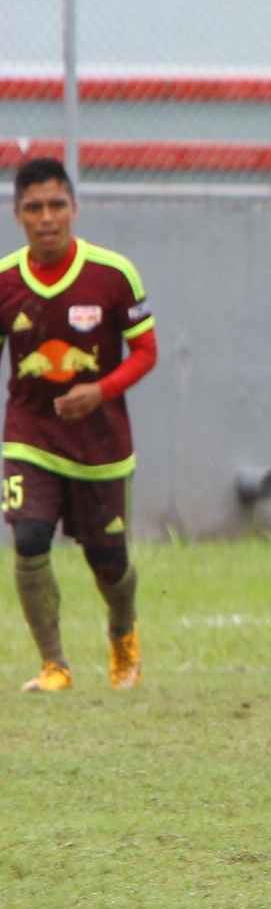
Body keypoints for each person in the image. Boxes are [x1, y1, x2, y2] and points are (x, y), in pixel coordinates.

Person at [1, 158, 155, 693]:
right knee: (29, 537)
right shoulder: (4, 282)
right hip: (30, 436)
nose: (47, 218)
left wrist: (101, 390)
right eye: (34, 207)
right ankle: (54, 666)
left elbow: (146, 352)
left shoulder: (113, 274)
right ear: (17, 214)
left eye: (57, 205)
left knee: (107, 562)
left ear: (75, 208)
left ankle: (122, 635)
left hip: (101, 446)